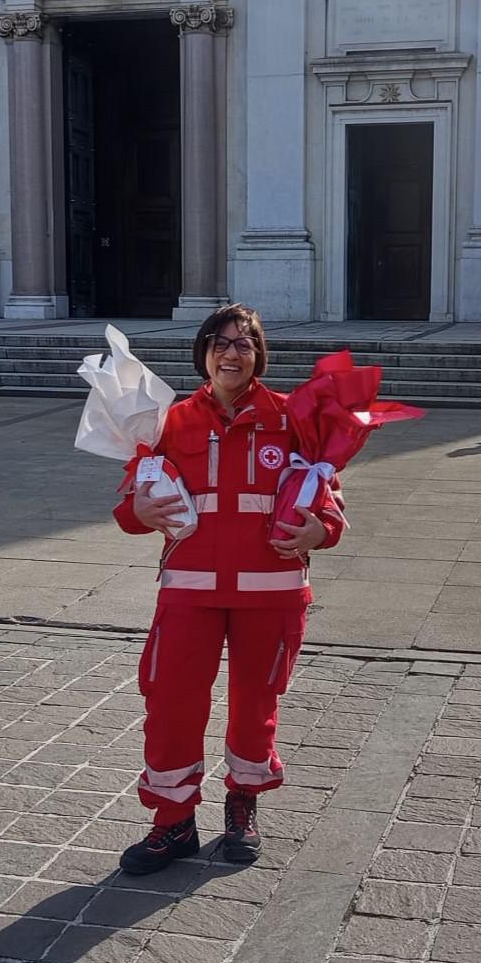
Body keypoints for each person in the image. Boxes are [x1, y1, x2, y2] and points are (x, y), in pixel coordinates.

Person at [112, 304, 346, 874]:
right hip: (190, 592)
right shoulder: (169, 422)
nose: (231, 353)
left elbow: (330, 498)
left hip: (272, 592)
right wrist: (138, 511)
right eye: (220, 342)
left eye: (244, 343)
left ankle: (243, 805)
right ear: (204, 353)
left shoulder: (295, 417)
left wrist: (322, 530)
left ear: (259, 354)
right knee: (171, 704)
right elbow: (131, 505)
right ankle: (173, 822)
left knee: (254, 706)